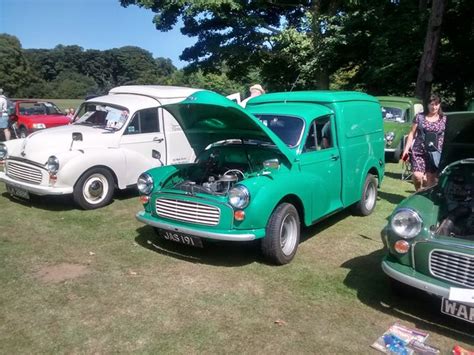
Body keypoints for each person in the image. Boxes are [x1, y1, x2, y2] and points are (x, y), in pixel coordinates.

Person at [401, 94, 446, 191]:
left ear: (439, 105)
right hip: (419, 151)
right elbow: (412, 134)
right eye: (431, 104)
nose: (434, 107)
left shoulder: (444, 119)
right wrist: (405, 150)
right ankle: (418, 192)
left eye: (436, 104)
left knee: (430, 180)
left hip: (435, 153)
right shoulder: (419, 117)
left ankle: (426, 198)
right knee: (417, 176)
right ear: (427, 105)